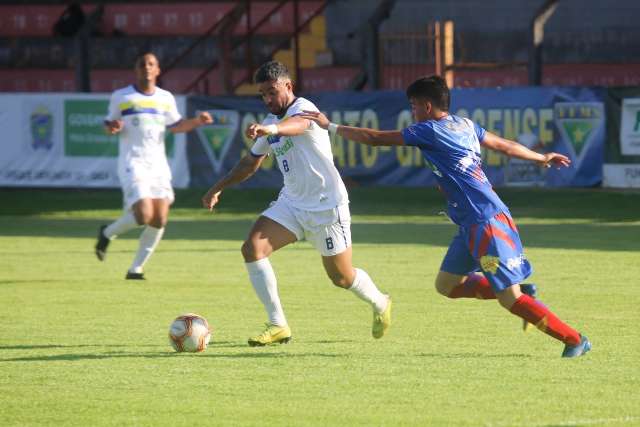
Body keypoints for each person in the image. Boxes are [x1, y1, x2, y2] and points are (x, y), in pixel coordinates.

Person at [299, 75, 591, 358]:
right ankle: (520, 288)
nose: (411, 111)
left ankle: (575, 339)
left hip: (486, 221)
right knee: (447, 286)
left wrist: (330, 126)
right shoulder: (464, 124)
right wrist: (541, 157)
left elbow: (374, 138)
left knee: (510, 300)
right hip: (469, 223)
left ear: (427, 106)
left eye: (413, 105)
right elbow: (503, 145)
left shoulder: (429, 130)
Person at [201, 60, 391, 346]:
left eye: (272, 92)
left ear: (288, 86)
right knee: (252, 248)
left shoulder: (303, 108)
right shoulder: (270, 124)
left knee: (341, 277)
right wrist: (218, 188)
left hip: (327, 206)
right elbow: (249, 164)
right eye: (262, 94)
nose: (267, 99)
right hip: (292, 203)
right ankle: (278, 324)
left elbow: (298, 125)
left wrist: (273, 130)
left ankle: (380, 302)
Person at [95, 52, 213, 280]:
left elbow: (176, 125)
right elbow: (108, 123)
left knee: (159, 218)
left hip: (158, 165)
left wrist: (198, 122)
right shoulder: (122, 96)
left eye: (151, 64)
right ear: (136, 69)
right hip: (133, 162)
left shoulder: (166, 98)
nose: (147, 68)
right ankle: (108, 233)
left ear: (158, 70)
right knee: (143, 215)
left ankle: (136, 269)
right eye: (142, 64)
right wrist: (112, 127)